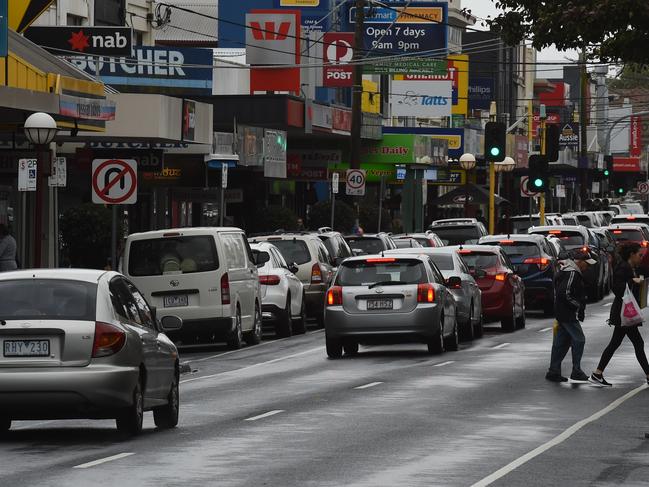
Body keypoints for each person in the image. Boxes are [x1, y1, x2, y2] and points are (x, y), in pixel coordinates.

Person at [590, 242, 649, 387]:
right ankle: (648, 375)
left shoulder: (631, 267)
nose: (640, 257)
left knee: (615, 343)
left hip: (625, 313)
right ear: (631, 254)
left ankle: (597, 373)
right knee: (637, 343)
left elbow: (643, 272)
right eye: (639, 255)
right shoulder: (623, 267)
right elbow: (617, 288)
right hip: (624, 313)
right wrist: (632, 281)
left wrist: (637, 279)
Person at [546, 248, 597, 383]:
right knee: (579, 339)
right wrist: (577, 305)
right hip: (567, 312)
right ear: (579, 262)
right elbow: (565, 293)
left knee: (561, 342)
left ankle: (554, 371)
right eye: (586, 263)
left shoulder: (567, 271)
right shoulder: (572, 273)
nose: (587, 266)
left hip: (562, 311)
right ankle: (576, 370)